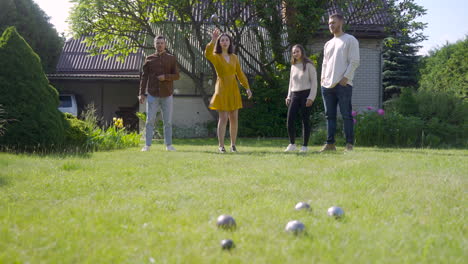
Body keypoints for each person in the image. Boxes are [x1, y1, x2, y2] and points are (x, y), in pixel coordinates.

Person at [205, 28, 252, 153]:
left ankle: (233, 145)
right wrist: (212, 40)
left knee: (234, 118)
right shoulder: (216, 56)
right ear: (219, 43)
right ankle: (221, 146)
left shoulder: (234, 57)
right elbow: (207, 54)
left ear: (230, 43)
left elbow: (240, 74)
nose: (224, 42)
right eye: (222, 40)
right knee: (223, 117)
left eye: (227, 40)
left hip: (233, 88)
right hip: (221, 88)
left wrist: (247, 87)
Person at [320, 13, 360, 152]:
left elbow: (354, 61)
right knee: (329, 116)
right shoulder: (328, 44)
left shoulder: (350, 40)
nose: (331, 25)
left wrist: (345, 78)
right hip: (327, 86)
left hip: (343, 85)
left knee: (346, 115)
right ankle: (330, 144)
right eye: (329, 23)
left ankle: (349, 144)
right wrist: (322, 80)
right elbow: (325, 64)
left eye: (334, 23)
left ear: (341, 23)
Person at [139, 35, 180, 152]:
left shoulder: (171, 58)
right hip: (152, 94)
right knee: (149, 121)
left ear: (165, 45)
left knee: (167, 121)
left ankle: (169, 145)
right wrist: (141, 93)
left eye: (162, 43)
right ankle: (147, 145)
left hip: (167, 94)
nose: (160, 45)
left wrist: (165, 77)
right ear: (154, 45)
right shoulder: (149, 59)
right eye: (158, 43)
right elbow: (144, 77)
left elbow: (177, 75)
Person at [284, 44, 317, 152]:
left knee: (305, 120)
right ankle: (292, 144)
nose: (295, 54)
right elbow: (290, 83)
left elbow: (314, 83)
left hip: (306, 95)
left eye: (297, 51)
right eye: (293, 52)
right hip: (294, 94)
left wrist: (311, 97)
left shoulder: (309, 65)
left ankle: (304, 146)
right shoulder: (293, 66)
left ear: (302, 52)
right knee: (290, 120)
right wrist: (288, 96)